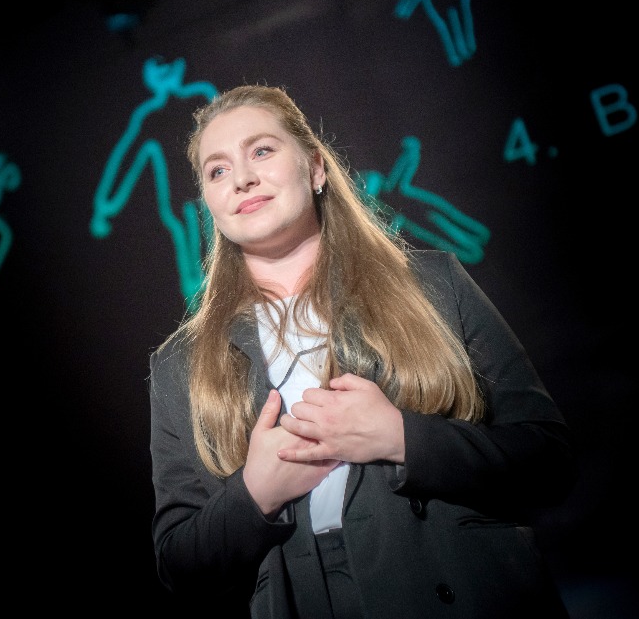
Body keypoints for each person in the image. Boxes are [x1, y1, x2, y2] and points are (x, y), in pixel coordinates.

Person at [148, 84, 577, 619]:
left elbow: (550, 461)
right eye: (217, 170)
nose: (242, 179)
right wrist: (254, 493)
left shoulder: (431, 285)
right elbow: (178, 563)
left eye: (261, 150)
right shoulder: (181, 364)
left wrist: (402, 438)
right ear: (210, 204)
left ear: (316, 168)